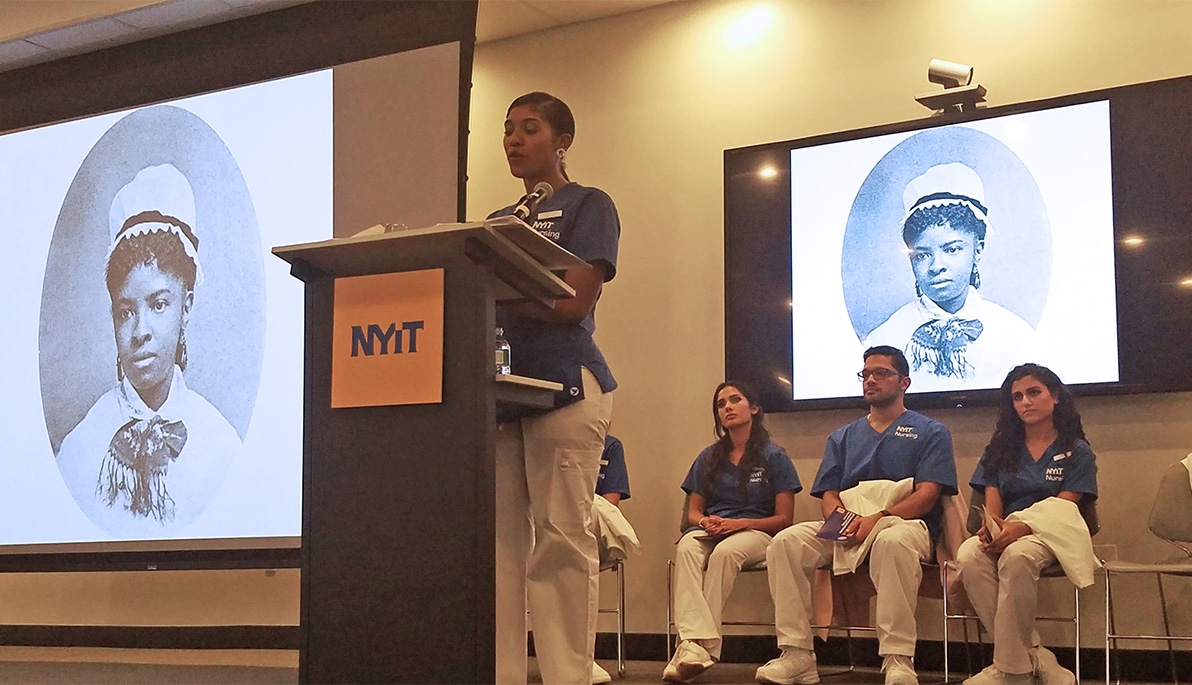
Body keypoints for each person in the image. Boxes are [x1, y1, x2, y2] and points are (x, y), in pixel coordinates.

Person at [490, 92, 620, 685]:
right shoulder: (495, 224)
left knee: (563, 539)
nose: (515, 139)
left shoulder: (588, 204)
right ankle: (502, 671)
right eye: (509, 129)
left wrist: (495, 297)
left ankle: (569, 674)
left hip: (566, 388)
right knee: (500, 546)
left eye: (530, 129)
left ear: (562, 140)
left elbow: (574, 301)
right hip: (500, 395)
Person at [56, 163, 242, 538]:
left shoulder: (222, 448)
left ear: (186, 307)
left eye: (159, 305)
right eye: (126, 312)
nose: (140, 332)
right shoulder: (79, 450)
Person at [757, 346, 958, 685]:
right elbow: (830, 492)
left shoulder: (930, 431)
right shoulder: (843, 436)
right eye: (865, 374)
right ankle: (797, 654)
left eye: (881, 373)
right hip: (850, 521)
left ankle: (897, 659)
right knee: (785, 543)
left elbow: (927, 495)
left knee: (892, 542)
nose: (870, 380)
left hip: (903, 523)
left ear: (904, 381)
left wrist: (878, 519)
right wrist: (841, 521)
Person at [955, 364, 1098, 685]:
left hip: (1052, 533)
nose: (1025, 402)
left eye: (1033, 393)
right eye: (1017, 397)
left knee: (1018, 556)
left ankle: (1010, 672)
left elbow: (1065, 508)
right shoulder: (999, 450)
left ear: (1055, 396)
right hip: (1007, 532)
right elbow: (992, 509)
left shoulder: (1076, 450)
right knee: (968, 555)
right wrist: (990, 530)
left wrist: (1020, 528)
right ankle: (1034, 656)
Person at [665, 381, 802, 683]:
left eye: (735, 400)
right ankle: (691, 645)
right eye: (720, 404)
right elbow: (693, 512)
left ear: (753, 408)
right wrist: (705, 523)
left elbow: (784, 518)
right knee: (687, 546)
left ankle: (703, 648)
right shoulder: (709, 456)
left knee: (726, 553)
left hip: (756, 532)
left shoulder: (774, 456)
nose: (727, 407)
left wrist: (739, 524)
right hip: (715, 528)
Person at [864, 163, 1035, 393]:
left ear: (978, 249)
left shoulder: (1015, 335)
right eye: (923, 255)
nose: (936, 266)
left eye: (952, 250)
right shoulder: (886, 339)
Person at [591, 434, 633, 685]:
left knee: (579, 545)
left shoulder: (611, 446)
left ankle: (581, 654)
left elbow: (611, 503)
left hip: (592, 525)